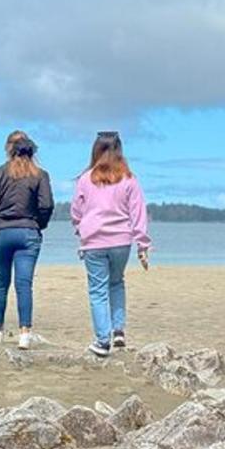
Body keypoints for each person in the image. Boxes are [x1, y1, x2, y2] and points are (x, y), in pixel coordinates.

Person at [70, 131, 152, 357]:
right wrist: (142, 245)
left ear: (96, 150)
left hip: (93, 242)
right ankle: (118, 331)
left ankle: (102, 341)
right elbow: (138, 213)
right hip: (121, 241)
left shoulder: (86, 179)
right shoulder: (129, 179)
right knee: (116, 283)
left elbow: (76, 211)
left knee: (97, 291)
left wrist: (81, 228)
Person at [0, 130, 54, 349]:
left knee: (1, 284)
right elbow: (46, 205)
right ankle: (24, 332)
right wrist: (38, 224)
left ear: (8, 148)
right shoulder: (40, 175)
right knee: (24, 285)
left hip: (1, 232)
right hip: (28, 232)